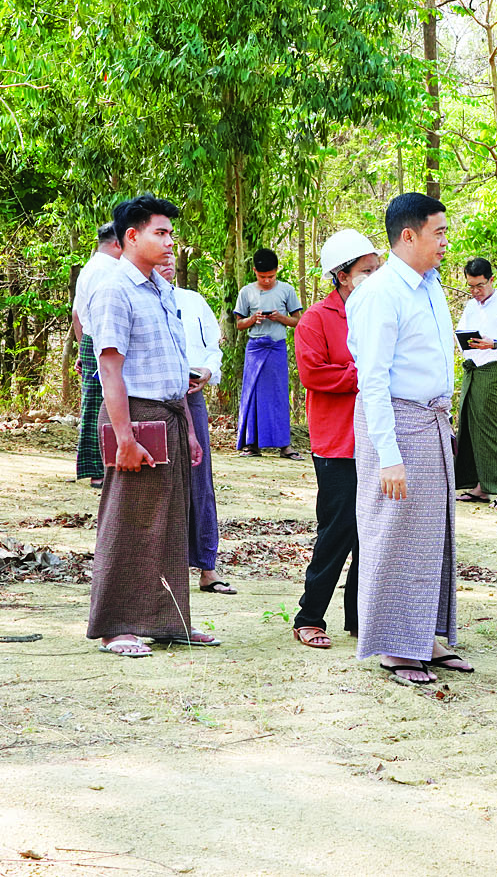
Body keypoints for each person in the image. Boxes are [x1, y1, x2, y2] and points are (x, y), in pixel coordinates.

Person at [347, 193, 474, 684]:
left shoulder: (430, 285)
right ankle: (396, 647)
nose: (445, 242)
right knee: (394, 531)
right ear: (408, 235)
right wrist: (388, 455)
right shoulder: (381, 293)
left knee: (431, 533)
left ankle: (425, 636)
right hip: (396, 425)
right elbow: (373, 381)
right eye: (438, 233)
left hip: (431, 421)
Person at [84, 194, 218, 658]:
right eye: (160, 233)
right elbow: (110, 368)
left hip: (172, 414)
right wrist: (124, 437)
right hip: (135, 416)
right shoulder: (114, 289)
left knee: (170, 521)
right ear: (132, 236)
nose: (169, 242)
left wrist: (191, 431)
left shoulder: (161, 288)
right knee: (130, 520)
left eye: (170, 233)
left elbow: (175, 364)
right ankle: (116, 626)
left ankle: (168, 620)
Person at [291, 229, 382, 650]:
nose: (375, 277)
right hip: (337, 441)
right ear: (342, 276)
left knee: (371, 533)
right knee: (338, 529)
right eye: (367, 270)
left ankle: (361, 618)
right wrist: (365, 375)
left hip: (376, 438)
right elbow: (313, 373)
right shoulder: (316, 319)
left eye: (377, 269)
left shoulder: (379, 312)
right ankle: (309, 616)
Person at [157, 254, 231, 596]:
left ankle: (207, 566)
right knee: (160, 481)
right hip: (152, 400)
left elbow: (212, 349)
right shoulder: (134, 300)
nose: (167, 261)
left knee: (200, 478)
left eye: (171, 255)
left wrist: (208, 371)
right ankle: (161, 571)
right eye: (160, 256)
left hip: (192, 396)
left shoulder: (193, 301)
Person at [453, 257, 497, 511]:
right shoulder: (471, 306)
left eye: (480, 286)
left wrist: (494, 344)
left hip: (492, 369)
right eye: (471, 286)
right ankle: (480, 486)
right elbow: (461, 333)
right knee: (471, 426)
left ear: (491, 280)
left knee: (494, 426)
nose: (475, 291)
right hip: (472, 369)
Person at [234, 248, 304, 458]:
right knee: (252, 394)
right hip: (255, 348)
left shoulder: (286, 290)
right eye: (262, 276)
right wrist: (252, 319)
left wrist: (280, 318)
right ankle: (251, 445)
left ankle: (284, 445)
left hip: (276, 348)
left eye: (271, 276)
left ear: (277, 271)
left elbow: (298, 321)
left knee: (278, 395)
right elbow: (239, 324)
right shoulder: (246, 292)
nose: (267, 281)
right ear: (254, 271)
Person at [72, 222, 122, 489]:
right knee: (104, 404)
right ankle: (100, 469)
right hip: (105, 341)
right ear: (117, 243)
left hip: (92, 341)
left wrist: (83, 348)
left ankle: (99, 468)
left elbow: (76, 314)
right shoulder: (110, 270)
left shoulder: (89, 268)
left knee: (93, 404)